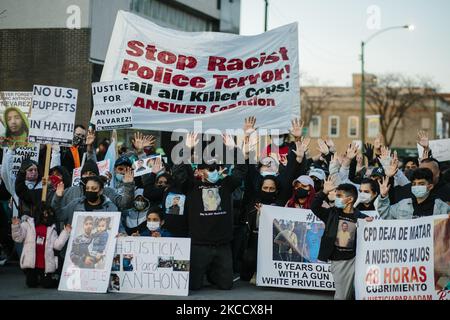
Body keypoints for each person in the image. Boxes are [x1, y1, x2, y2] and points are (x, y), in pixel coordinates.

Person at [311, 177, 372, 300]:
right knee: (341, 296)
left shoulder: (360, 217)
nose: (336, 198)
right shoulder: (331, 214)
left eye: (340, 196)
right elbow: (314, 207)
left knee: (357, 294)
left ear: (349, 199)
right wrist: (324, 192)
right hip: (339, 261)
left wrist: (370, 223)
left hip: (356, 260)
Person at [11, 207, 71, 287]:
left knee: (47, 285)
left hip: (45, 265)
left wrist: (66, 232)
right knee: (31, 284)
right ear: (39, 213)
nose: (48, 216)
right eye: (46, 213)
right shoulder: (27, 224)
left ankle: (55, 279)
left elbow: (57, 245)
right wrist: (16, 226)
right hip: (31, 264)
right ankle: (39, 279)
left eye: (50, 214)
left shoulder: (52, 229)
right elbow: (18, 238)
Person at [377, 168, 450, 219]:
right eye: (414, 184)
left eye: (421, 184)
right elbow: (385, 214)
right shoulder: (403, 205)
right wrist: (383, 196)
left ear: (430, 186)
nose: (416, 186)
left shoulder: (442, 208)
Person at [54, 176, 119, 226]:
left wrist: (121, 233)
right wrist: (57, 197)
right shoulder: (76, 204)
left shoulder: (110, 208)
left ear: (101, 191)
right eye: (87, 188)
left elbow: (118, 227)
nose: (90, 191)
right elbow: (58, 216)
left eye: (94, 188)